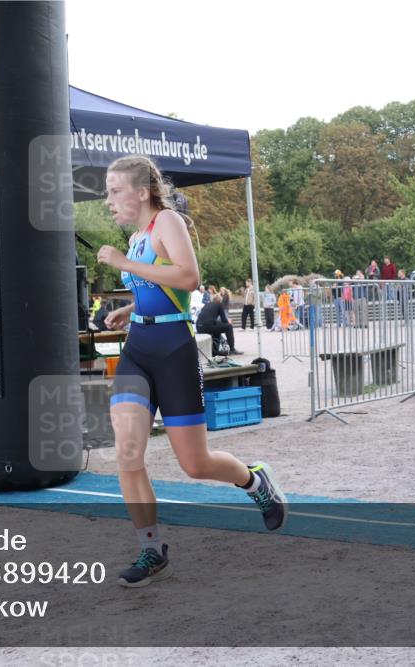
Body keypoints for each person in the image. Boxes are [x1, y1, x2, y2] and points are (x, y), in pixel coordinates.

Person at [96, 155, 286, 588]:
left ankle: (255, 482)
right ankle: (151, 548)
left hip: (174, 352)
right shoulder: (138, 235)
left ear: (141, 192)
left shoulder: (167, 223)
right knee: (128, 452)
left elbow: (188, 278)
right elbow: (159, 288)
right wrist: (130, 308)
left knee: (195, 464)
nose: (108, 200)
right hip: (138, 351)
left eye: (114, 190)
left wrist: (123, 265)